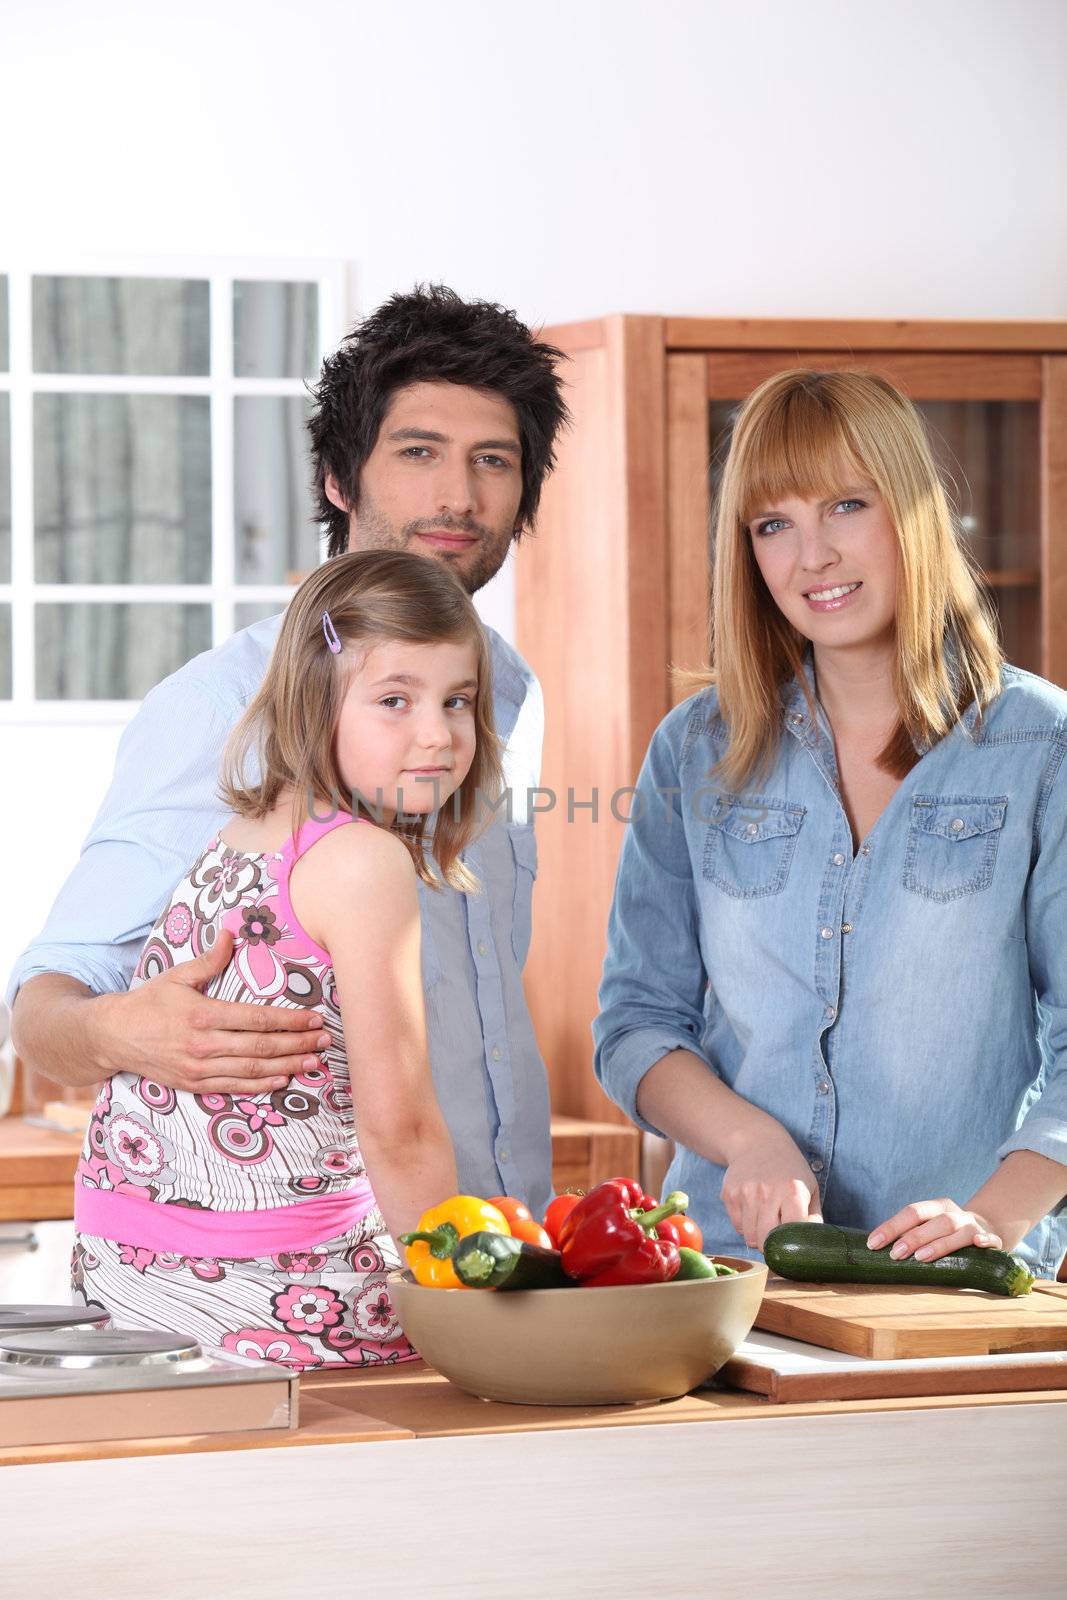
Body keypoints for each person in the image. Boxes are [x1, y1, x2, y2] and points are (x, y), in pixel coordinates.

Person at [10, 285, 568, 1222]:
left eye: (493, 461)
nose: (457, 496)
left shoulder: (508, 692)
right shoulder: (223, 704)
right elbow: (44, 1009)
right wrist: (120, 1029)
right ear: (339, 480)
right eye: (418, 452)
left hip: (492, 1247)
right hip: (305, 1273)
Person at [594, 369, 1067, 1276]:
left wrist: (991, 1219)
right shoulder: (695, 748)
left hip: (955, 1281)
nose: (811, 557)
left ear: (912, 513)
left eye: (845, 506)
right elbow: (636, 1024)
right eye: (773, 525)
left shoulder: (1041, 747)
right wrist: (748, 1139)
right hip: (726, 1275)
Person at [72, 548, 500, 1366]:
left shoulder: (240, 836)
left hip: (125, 1276)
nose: (438, 735)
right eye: (393, 701)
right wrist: (471, 1315)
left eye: (457, 700)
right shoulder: (361, 863)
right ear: (316, 701)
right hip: (272, 1287)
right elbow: (400, 1131)